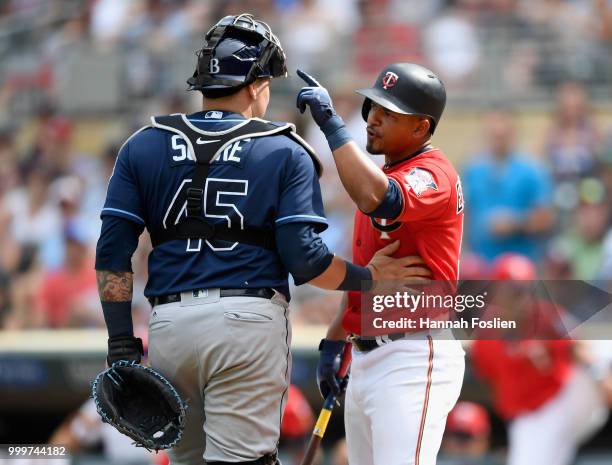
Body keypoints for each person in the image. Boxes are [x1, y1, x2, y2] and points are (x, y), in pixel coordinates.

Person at [95, 14, 428, 465]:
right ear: (255, 85)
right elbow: (306, 261)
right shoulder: (283, 147)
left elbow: (113, 254)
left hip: (169, 324)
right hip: (246, 323)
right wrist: (368, 279)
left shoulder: (144, 144)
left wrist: (120, 342)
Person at [297, 63, 465, 465]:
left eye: (388, 113)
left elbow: (380, 198)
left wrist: (331, 126)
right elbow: (369, 276)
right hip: (367, 357)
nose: (372, 119)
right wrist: (336, 340)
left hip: (413, 353)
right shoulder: (385, 172)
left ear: (421, 128)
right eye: (372, 107)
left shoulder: (433, 174)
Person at [470, 254, 608, 465]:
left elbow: (579, 346)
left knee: (604, 348)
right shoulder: (484, 335)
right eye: (515, 291)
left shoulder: (546, 314)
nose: (524, 298)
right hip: (531, 419)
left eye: (527, 290)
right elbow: (488, 380)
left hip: (564, 398)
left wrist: (600, 376)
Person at [462, 107, 554, 262]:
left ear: (513, 134)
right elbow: (465, 215)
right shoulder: (472, 170)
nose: (498, 139)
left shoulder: (532, 171)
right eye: (494, 135)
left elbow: (546, 219)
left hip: (520, 265)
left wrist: (514, 224)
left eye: (502, 135)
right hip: (480, 265)